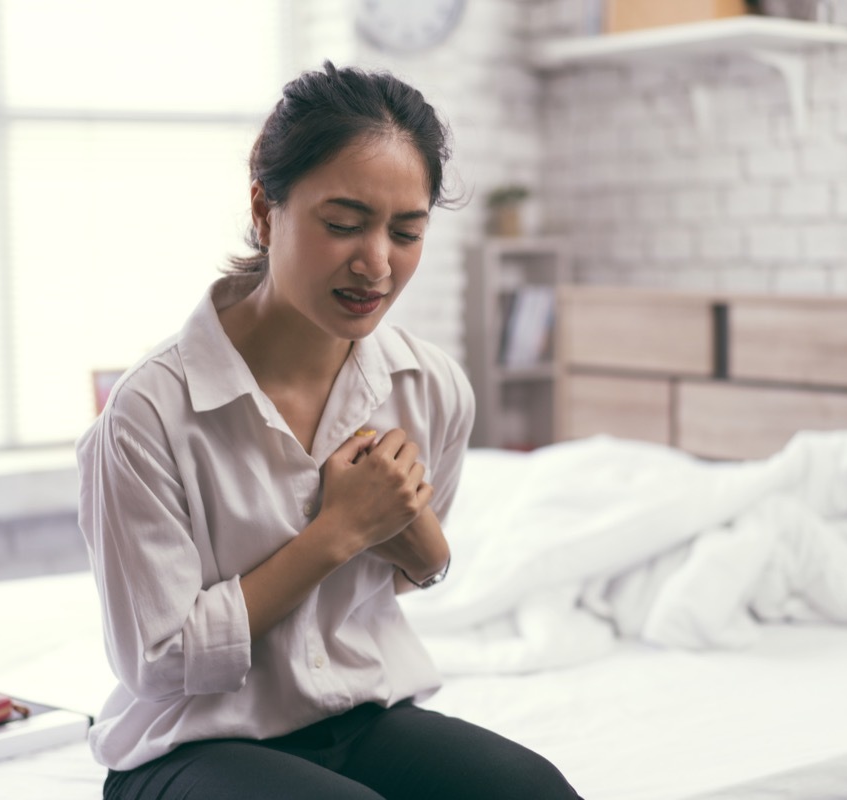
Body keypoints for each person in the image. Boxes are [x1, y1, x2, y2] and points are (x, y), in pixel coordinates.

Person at [77, 61, 583, 800]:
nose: (376, 263)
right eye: (343, 224)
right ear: (264, 208)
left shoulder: (430, 386)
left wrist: (408, 533)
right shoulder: (149, 413)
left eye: (406, 232)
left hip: (357, 717)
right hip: (185, 747)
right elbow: (158, 660)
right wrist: (337, 531)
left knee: (536, 792)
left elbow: (406, 571)